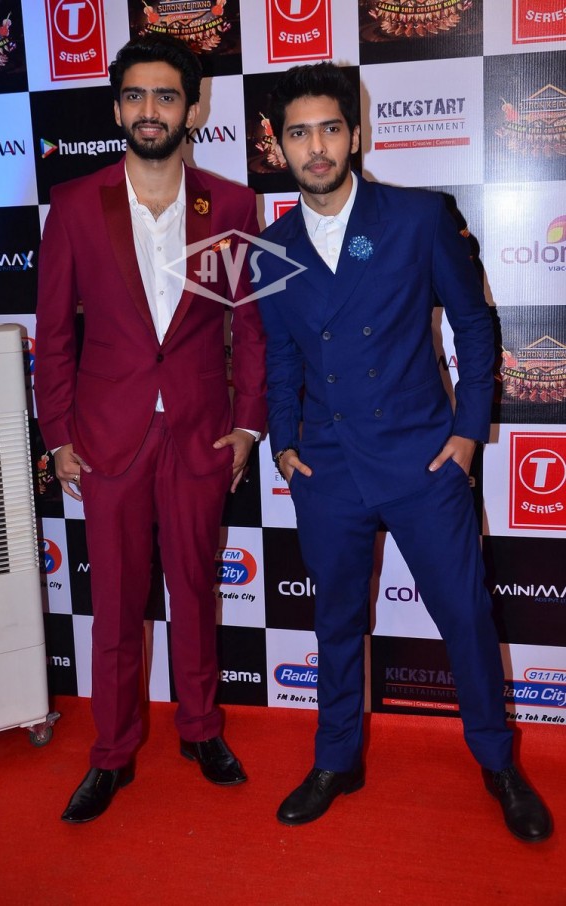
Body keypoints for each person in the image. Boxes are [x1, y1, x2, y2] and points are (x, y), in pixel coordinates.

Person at [257, 62, 551, 842]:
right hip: (328, 469)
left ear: (355, 133)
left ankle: (498, 762)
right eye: (299, 133)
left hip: (423, 460)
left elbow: (475, 326)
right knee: (335, 624)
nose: (317, 147)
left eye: (330, 128)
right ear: (277, 145)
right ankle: (336, 759)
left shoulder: (418, 218)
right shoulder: (270, 249)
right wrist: (285, 446)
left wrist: (467, 434)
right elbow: (280, 358)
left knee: (465, 615)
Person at [35, 34, 266, 823]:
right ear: (116, 109)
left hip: (200, 433)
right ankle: (112, 752)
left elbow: (251, 331)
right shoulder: (76, 204)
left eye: (166, 95)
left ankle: (201, 730)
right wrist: (58, 434)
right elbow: (54, 334)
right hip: (109, 437)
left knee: (196, 591)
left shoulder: (229, 206)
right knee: (116, 605)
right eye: (134, 95)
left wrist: (248, 428)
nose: (149, 109)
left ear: (192, 109)